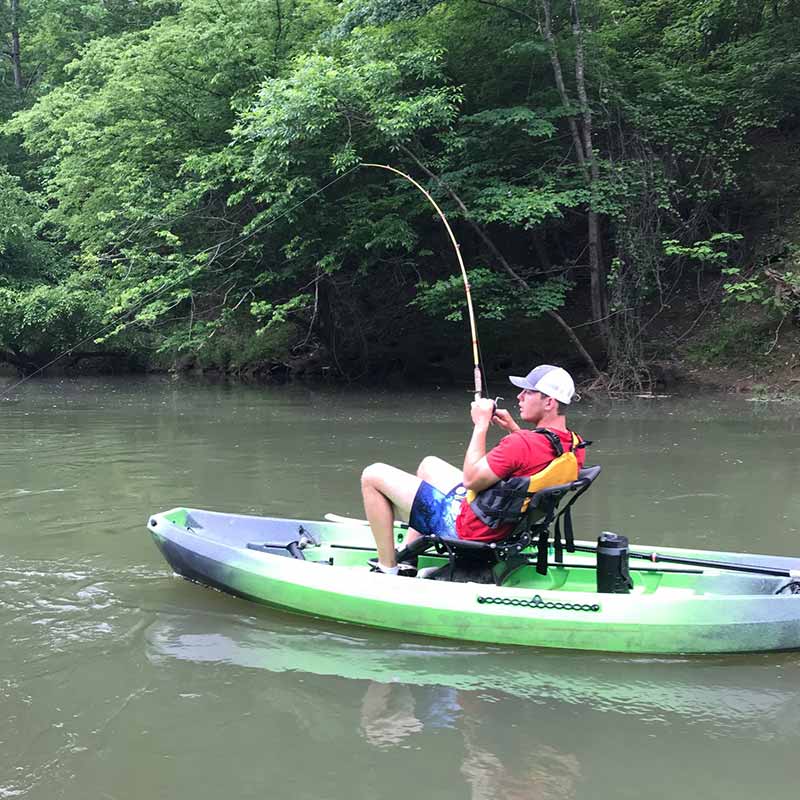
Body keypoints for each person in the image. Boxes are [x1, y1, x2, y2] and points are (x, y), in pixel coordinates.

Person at [360, 364, 585, 574]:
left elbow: (471, 480)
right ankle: (409, 557)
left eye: (528, 392)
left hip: (470, 530)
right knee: (429, 464)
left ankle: (387, 567)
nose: (519, 397)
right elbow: (532, 464)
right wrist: (515, 430)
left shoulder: (521, 444)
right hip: (502, 524)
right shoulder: (574, 446)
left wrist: (480, 425)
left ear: (549, 403)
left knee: (372, 475)